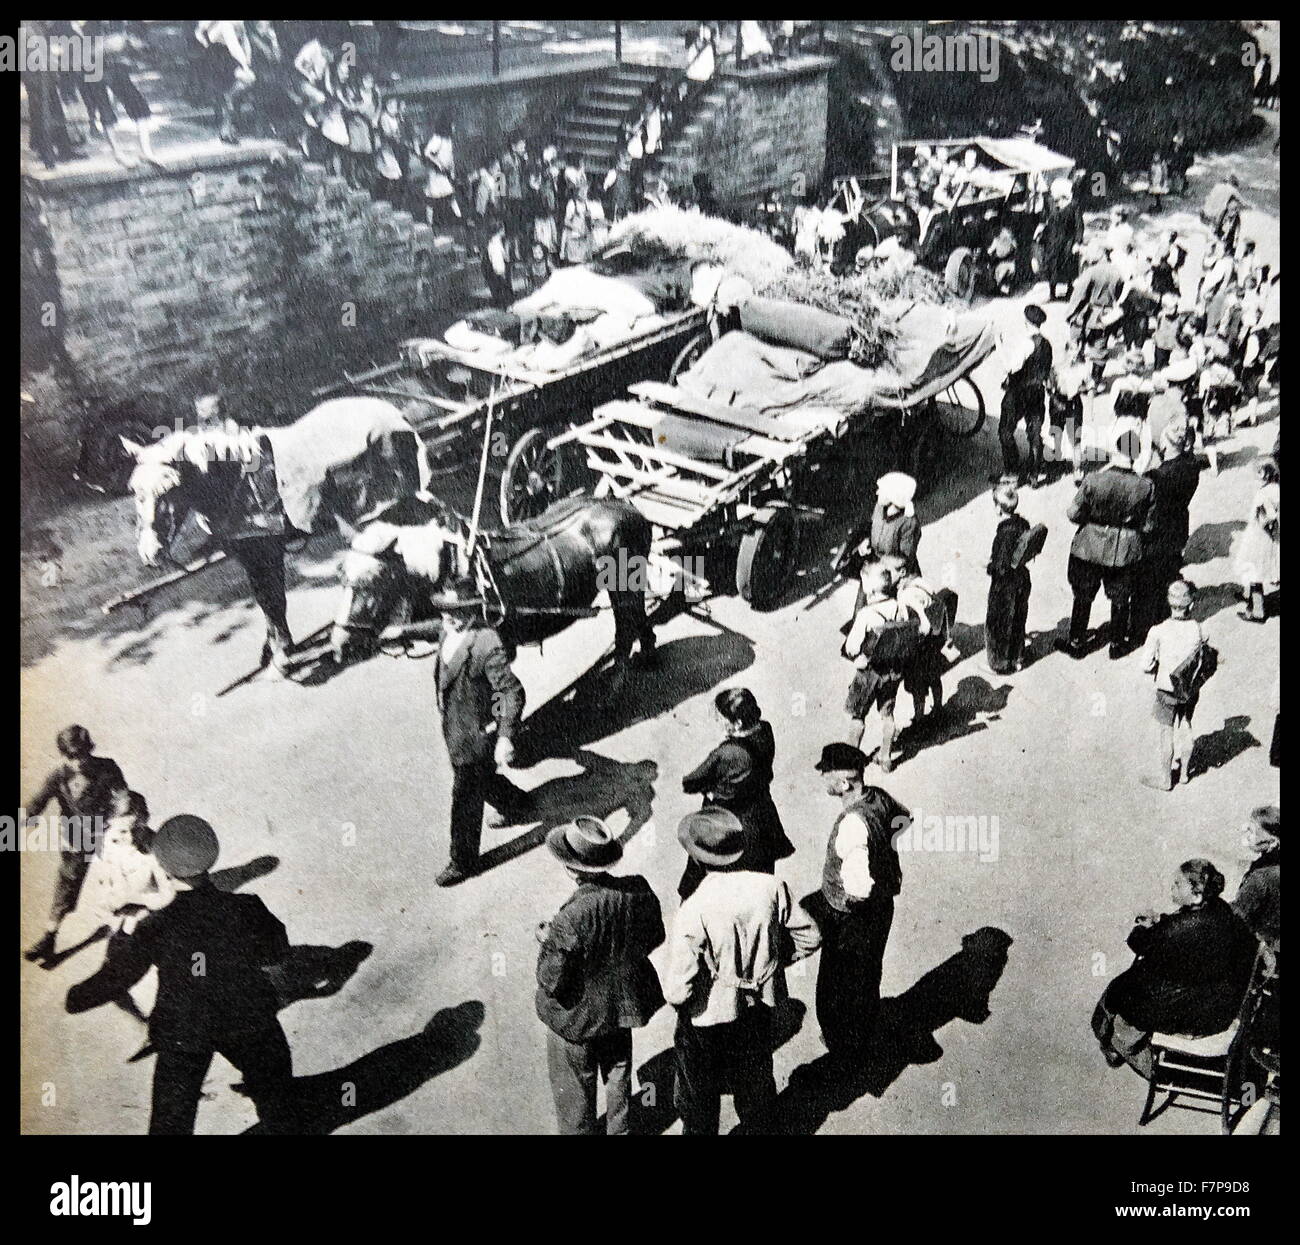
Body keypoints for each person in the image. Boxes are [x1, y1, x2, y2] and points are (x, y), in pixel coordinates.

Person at [70, 816, 297, 1134]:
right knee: (277, 1091)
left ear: (163, 868)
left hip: (184, 1030)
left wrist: (77, 997)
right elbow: (277, 952)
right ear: (211, 859)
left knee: (170, 1121)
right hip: (249, 1019)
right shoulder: (247, 907)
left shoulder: (157, 926)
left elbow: (119, 976)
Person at [663, 808, 821, 1134]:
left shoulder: (694, 907)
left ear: (697, 858)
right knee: (756, 1086)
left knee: (701, 1100)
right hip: (760, 1006)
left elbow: (677, 990)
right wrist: (772, 965)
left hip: (708, 1017)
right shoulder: (771, 886)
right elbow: (811, 935)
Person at [535, 816, 664, 1136]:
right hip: (619, 1010)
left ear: (573, 868)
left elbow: (551, 979)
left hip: (576, 1020)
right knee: (618, 1074)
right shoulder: (636, 891)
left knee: (575, 1094)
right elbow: (655, 936)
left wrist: (547, 940)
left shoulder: (570, 918)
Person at [1093, 859, 1257, 1078]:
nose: (1172, 888)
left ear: (1197, 894)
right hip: (1218, 998)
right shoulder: (1218, 909)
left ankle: (1133, 1053)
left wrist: (1144, 927)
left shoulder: (1186, 929)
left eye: (1178, 884)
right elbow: (1178, 928)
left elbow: (1143, 943)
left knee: (1128, 989)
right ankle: (1120, 1041)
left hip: (1200, 1008)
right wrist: (1161, 921)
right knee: (1138, 978)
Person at [431, 577, 531, 886]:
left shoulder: (487, 642)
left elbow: (509, 692)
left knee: (464, 795)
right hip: (455, 728)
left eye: (457, 610)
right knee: (481, 780)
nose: (449, 615)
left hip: (477, 735)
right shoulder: (446, 632)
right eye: (445, 609)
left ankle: (463, 861)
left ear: (473, 610)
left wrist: (504, 736)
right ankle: (517, 804)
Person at [811, 743, 908, 1055]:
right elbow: (903, 820)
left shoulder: (852, 824)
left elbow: (859, 887)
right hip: (883, 906)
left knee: (836, 985)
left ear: (843, 784)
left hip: (855, 916)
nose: (822, 778)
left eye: (826, 774)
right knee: (867, 976)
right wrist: (883, 854)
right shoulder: (877, 796)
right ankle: (863, 1033)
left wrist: (842, 912)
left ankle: (843, 1049)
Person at [23, 725, 129, 966]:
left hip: (107, 833)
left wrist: (117, 820)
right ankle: (49, 938)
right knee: (66, 886)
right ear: (64, 756)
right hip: (75, 840)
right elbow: (36, 804)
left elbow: (123, 796)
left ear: (89, 750)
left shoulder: (107, 768)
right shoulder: (58, 777)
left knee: (118, 880)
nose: (78, 762)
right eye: (72, 757)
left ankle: (125, 937)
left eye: (82, 755)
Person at [677, 688, 794, 900]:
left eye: (722, 719)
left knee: (700, 879)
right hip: (761, 816)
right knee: (758, 883)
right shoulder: (765, 731)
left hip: (727, 821)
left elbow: (692, 782)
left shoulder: (728, 752)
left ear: (738, 724)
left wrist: (712, 787)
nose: (719, 722)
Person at [1057, 421, 1156, 660]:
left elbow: (1073, 513)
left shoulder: (1093, 480)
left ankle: (1077, 641)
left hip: (1088, 546)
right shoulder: (1145, 486)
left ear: (1116, 450)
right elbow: (1148, 526)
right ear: (1136, 455)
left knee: (1083, 594)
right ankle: (1116, 644)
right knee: (1121, 597)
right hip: (1124, 550)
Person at [843, 562, 915, 771]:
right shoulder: (900, 607)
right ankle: (886, 757)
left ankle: (850, 762)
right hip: (892, 671)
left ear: (871, 588)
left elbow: (852, 647)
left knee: (858, 717)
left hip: (869, 674)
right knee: (887, 714)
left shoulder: (866, 614)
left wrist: (855, 655)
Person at [1138, 579, 1207, 791]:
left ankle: (1166, 779)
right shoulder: (1199, 629)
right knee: (1186, 725)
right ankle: (1185, 773)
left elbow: (1145, 665)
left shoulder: (1157, 631)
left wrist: (1156, 667)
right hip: (1188, 689)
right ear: (1191, 605)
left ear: (1168, 603)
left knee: (1165, 732)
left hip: (1166, 691)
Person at [1137, 416, 1202, 635]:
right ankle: (1169, 610)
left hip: (1158, 529)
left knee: (1151, 575)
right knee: (1170, 567)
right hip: (1179, 523)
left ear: (1165, 442)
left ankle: (1148, 623)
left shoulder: (1158, 475)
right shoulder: (1192, 465)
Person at [996, 304, 1052, 486]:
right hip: (1037, 393)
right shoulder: (1046, 344)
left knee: (1005, 431)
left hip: (1019, 393)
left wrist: (999, 345)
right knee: (1034, 432)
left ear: (1026, 322)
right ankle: (1036, 473)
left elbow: (1009, 367)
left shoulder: (1026, 344)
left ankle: (1012, 472)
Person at [985, 483, 1034, 675]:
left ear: (998, 507)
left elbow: (1001, 565)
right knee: (1018, 619)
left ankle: (1001, 663)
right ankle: (1018, 657)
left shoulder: (1004, 533)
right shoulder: (1022, 524)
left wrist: (989, 567)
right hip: (1021, 578)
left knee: (999, 623)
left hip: (1005, 585)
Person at [1065, 244, 1126, 388]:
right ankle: (1096, 381)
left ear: (1100, 254)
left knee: (1077, 345)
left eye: (1092, 252)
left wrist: (1070, 314)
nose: (1089, 255)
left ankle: (1080, 379)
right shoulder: (1117, 272)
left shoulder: (1091, 272)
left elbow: (1079, 296)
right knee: (1099, 348)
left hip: (1087, 314)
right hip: (1106, 315)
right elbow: (1120, 295)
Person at [1234, 456, 1280, 623]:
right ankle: (1251, 597)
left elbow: (1268, 515)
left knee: (1254, 572)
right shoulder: (1276, 488)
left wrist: (1263, 521)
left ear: (1261, 474)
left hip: (1258, 537)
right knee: (1257, 570)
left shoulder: (1263, 493)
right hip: (1271, 539)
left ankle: (1258, 610)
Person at [194, 20, 254, 146]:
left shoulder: (238, 23)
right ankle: (226, 128)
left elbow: (244, 39)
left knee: (243, 85)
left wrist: (247, 60)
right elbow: (233, 46)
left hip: (229, 58)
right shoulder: (223, 24)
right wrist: (244, 66)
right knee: (246, 79)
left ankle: (227, 128)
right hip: (218, 59)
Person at [1232, 806, 1279, 955]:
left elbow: (1238, 915)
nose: (1246, 834)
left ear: (1272, 842)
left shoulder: (1260, 879)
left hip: (1260, 946)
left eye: (1251, 831)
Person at [1036, 178, 1083, 299]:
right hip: (1052, 239)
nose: (1052, 194)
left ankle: (1069, 290)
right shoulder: (1049, 203)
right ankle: (1052, 293)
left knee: (1068, 265)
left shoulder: (1073, 205)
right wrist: (1040, 229)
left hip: (1068, 240)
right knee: (1052, 265)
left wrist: (1077, 242)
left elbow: (1079, 225)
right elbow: (1043, 218)